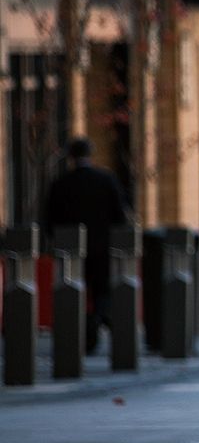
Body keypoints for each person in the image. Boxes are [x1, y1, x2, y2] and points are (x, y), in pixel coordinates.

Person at [43, 137, 130, 353]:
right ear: (90, 155)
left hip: (70, 249)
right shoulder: (106, 179)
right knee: (102, 290)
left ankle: (85, 328)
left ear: (71, 157)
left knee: (73, 290)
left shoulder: (61, 183)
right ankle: (99, 318)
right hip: (102, 247)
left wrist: (55, 242)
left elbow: (49, 220)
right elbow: (121, 216)